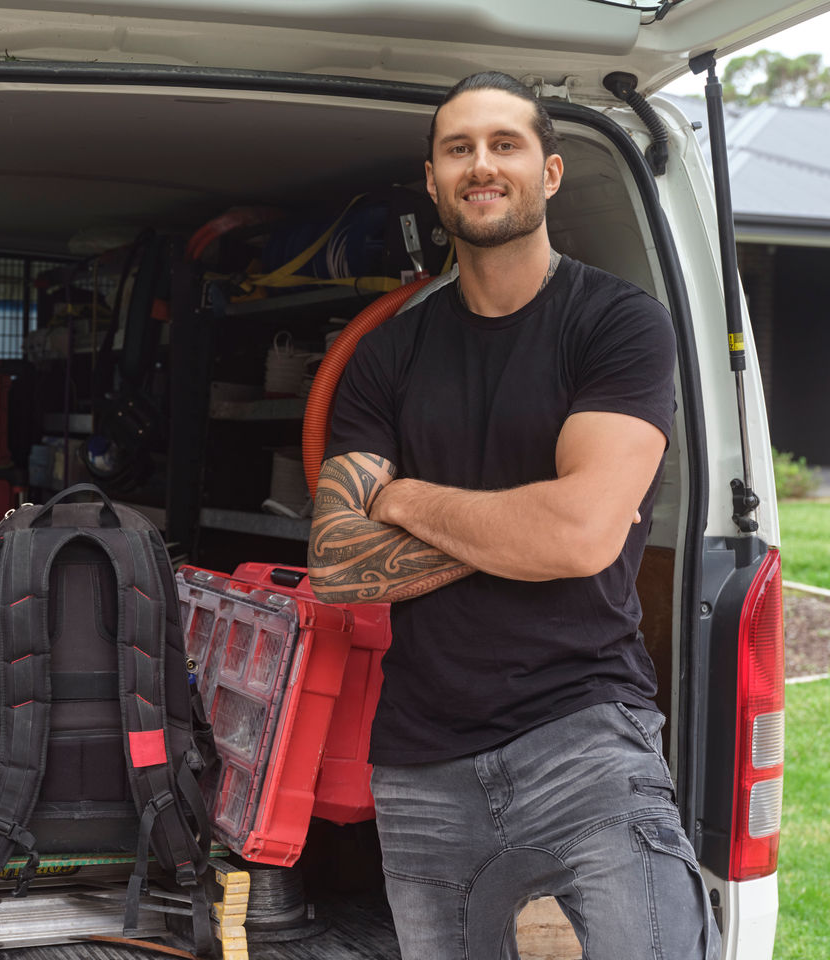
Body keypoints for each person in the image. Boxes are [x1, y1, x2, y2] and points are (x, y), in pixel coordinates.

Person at [307, 72, 720, 960]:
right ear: (432, 179)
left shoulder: (619, 324)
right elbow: (339, 561)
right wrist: (537, 530)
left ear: (552, 172)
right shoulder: (388, 355)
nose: (481, 164)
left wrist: (402, 497)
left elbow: (579, 536)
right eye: (459, 148)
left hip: (585, 733)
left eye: (505, 144)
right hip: (419, 758)